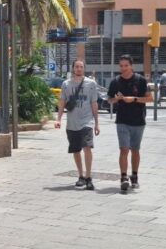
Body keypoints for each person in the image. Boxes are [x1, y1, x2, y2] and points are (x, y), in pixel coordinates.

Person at [108, 55, 152, 193]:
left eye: (126, 65)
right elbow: (109, 100)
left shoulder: (141, 80)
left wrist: (133, 99)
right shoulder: (115, 82)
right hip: (122, 120)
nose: (123, 68)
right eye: (121, 66)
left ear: (131, 66)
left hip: (138, 120)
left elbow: (150, 99)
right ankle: (123, 177)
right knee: (124, 149)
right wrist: (115, 99)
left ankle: (134, 176)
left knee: (135, 150)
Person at [55, 59, 100, 190]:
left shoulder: (91, 84)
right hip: (72, 122)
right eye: (76, 67)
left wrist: (96, 123)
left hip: (87, 122)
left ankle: (89, 177)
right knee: (76, 150)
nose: (79, 69)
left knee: (87, 147)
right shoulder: (66, 84)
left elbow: (94, 103)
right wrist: (58, 119)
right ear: (73, 68)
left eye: (81, 67)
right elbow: (62, 102)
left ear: (84, 68)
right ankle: (80, 176)